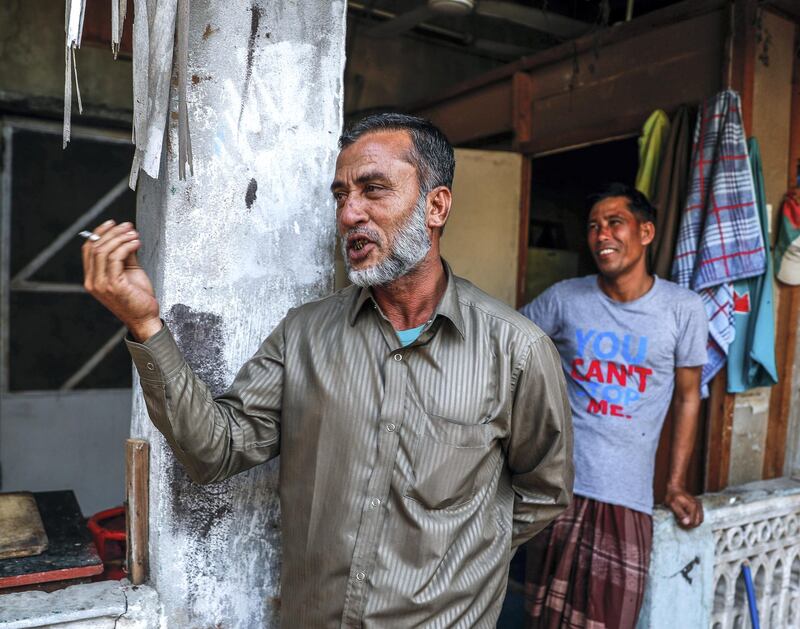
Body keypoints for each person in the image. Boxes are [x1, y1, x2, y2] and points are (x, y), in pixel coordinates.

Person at [82, 113, 573, 628]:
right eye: (341, 195)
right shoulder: (305, 335)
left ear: (436, 205)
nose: (349, 213)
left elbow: (544, 491)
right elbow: (214, 449)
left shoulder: (516, 350)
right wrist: (145, 323)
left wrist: (459, 558)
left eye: (373, 189)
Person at [519, 183, 707, 629]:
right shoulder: (565, 298)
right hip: (556, 488)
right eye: (593, 226)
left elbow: (687, 399)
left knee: (608, 620)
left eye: (614, 223)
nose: (601, 234)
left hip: (627, 498)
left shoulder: (683, 309)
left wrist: (676, 484)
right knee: (540, 617)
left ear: (645, 232)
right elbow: (509, 351)